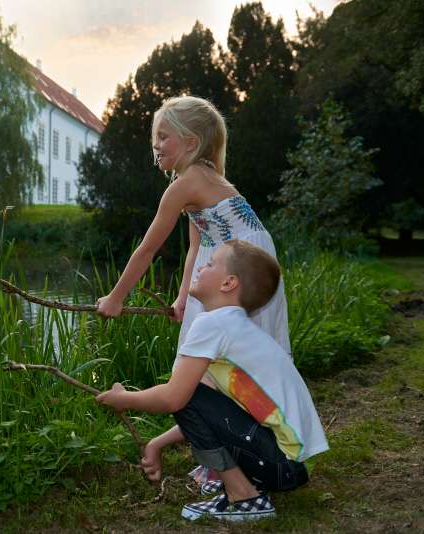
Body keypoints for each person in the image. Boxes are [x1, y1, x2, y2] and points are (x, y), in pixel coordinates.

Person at [96, 94, 292, 488]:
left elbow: (148, 248)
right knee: (225, 370)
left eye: (163, 136)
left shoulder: (186, 184)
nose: (155, 145)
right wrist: (184, 296)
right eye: (155, 137)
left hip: (237, 272)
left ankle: (232, 466)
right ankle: (226, 454)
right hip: (240, 266)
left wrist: (116, 298)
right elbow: (195, 246)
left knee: (212, 370)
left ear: (190, 143)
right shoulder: (206, 180)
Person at [96, 240, 328, 521]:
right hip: (290, 467)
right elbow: (209, 409)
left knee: (184, 392)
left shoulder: (213, 324)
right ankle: (246, 485)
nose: (201, 266)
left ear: (228, 283)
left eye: (209, 263)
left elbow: (175, 398)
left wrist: (124, 399)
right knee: (192, 391)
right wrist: (156, 443)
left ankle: (245, 496)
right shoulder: (236, 330)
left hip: (279, 464)